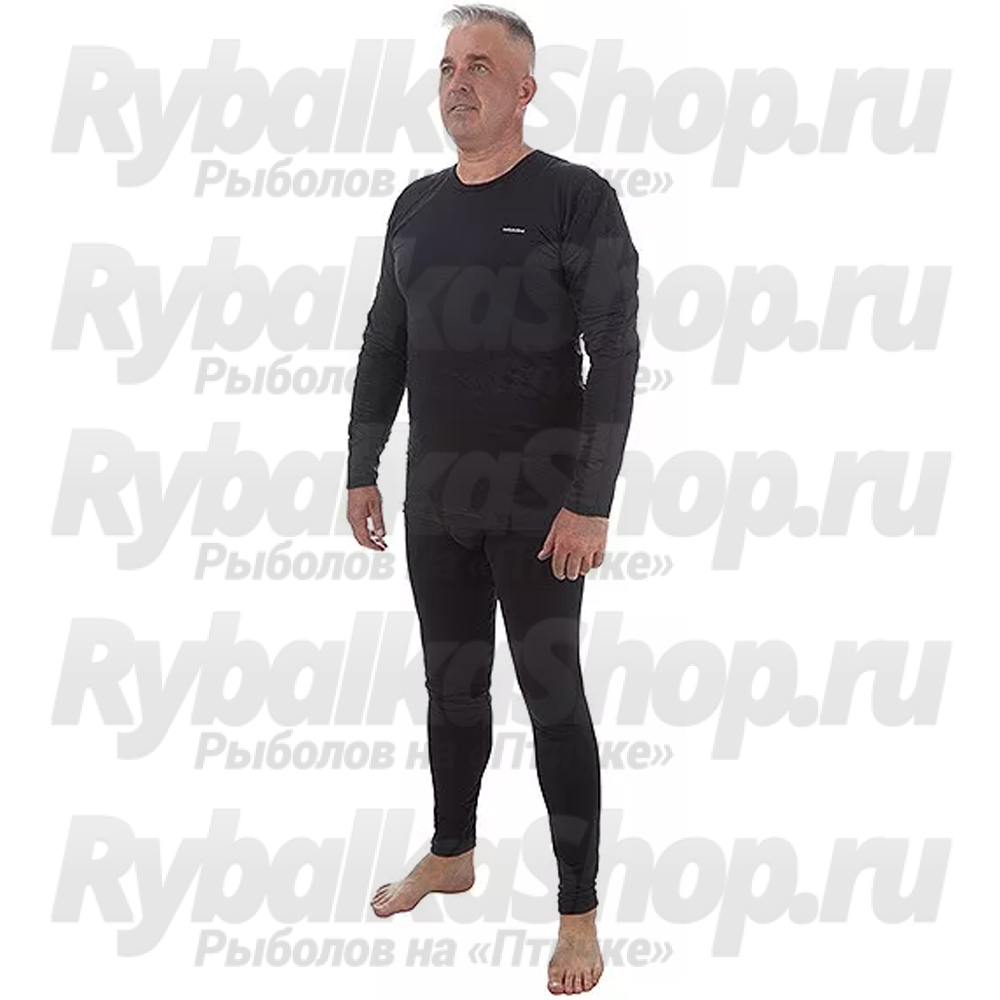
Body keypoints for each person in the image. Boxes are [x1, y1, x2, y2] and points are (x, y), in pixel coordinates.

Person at [346, 5, 640, 994]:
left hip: (541, 507)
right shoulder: (415, 207)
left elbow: (615, 354)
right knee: (450, 688)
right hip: (435, 500)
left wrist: (591, 500)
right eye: (445, 67)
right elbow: (385, 341)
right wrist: (360, 465)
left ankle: (577, 911)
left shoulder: (575, 198)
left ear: (524, 90)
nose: (456, 82)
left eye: (479, 66)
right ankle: (452, 852)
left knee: (554, 699)